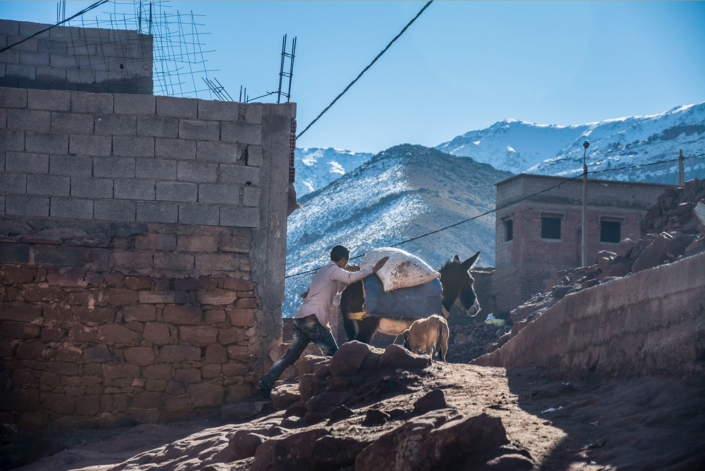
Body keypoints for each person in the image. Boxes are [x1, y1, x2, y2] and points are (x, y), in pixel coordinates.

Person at [256, 245, 388, 398]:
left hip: (301, 319)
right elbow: (350, 278)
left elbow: (336, 283)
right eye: (346, 261)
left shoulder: (324, 270)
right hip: (314, 320)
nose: (346, 264)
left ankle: (265, 384)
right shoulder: (333, 270)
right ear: (343, 259)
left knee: (290, 356)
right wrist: (373, 269)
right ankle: (335, 390)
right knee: (333, 354)